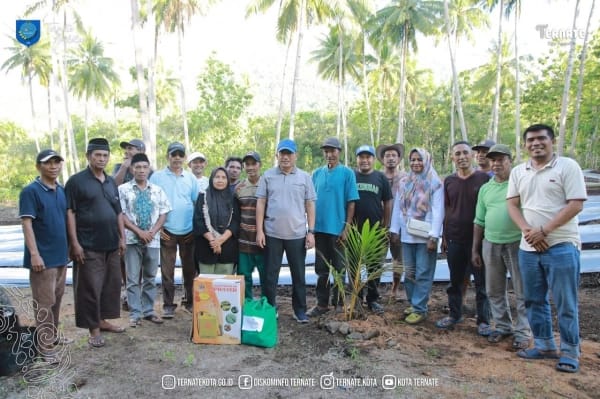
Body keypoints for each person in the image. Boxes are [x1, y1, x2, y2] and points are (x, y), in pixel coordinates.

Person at [507, 124, 586, 373]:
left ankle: (571, 350)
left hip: (561, 245)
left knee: (565, 301)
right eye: (530, 140)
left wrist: (546, 230)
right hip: (528, 248)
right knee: (533, 299)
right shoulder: (519, 171)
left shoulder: (568, 167)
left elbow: (575, 204)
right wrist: (528, 231)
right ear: (525, 144)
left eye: (541, 138)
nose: (536, 143)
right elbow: (512, 204)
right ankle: (544, 345)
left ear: (552, 141)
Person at [65, 138, 126, 348]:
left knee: (111, 285)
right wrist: (74, 243)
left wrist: (122, 237)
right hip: (88, 244)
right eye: (97, 155)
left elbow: (118, 212)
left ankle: (102, 320)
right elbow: (70, 213)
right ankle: (93, 329)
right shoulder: (76, 182)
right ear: (88, 156)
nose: (101, 159)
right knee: (90, 287)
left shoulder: (110, 182)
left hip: (111, 243)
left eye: (105, 155)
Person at [471, 144, 531, 349]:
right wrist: (475, 249)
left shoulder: (520, 183)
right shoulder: (486, 188)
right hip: (491, 243)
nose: (496, 164)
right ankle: (503, 326)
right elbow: (479, 220)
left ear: (510, 160)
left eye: (501, 159)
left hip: (517, 242)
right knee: (494, 288)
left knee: (522, 289)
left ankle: (523, 332)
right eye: (493, 160)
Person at [256, 139, 316, 323]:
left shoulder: (305, 177)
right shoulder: (267, 176)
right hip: (272, 233)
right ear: (277, 156)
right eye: (282, 153)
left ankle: (300, 311)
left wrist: (311, 231)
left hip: (297, 234)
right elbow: (261, 202)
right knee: (270, 274)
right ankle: (270, 308)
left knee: (298, 274)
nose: (285, 157)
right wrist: (260, 231)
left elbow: (310, 204)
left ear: (295, 155)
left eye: (289, 153)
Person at [19, 149, 70, 361]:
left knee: (57, 299)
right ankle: (45, 346)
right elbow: (26, 223)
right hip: (43, 258)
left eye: (57, 162)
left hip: (61, 256)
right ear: (38, 166)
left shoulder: (60, 189)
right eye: (48, 163)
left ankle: (53, 335)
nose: (53, 166)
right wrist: (34, 254)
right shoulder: (31, 191)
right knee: (44, 302)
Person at [436, 141, 491, 334]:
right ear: (452, 157)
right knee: (455, 280)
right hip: (454, 238)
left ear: (472, 156)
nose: (461, 157)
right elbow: (447, 208)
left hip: (479, 240)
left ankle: (484, 320)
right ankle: (454, 314)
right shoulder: (449, 181)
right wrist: (444, 236)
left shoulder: (484, 178)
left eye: (465, 153)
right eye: (457, 154)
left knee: (482, 281)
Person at [391, 148, 444, 324]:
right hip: (407, 235)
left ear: (427, 160)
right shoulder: (404, 181)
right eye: (413, 160)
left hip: (426, 236)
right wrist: (395, 230)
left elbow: (438, 211)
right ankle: (414, 303)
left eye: (419, 159)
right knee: (410, 272)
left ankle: (420, 308)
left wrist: (434, 236)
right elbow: (398, 207)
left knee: (423, 272)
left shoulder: (434, 183)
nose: (415, 163)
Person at [308, 137, 359, 317]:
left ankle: (338, 305)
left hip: (338, 230)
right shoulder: (316, 174)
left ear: (339, 152)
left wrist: (346, 227)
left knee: (339, 269)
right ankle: (322, 304)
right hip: (320, 229)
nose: (329, 154)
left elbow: (351, 202)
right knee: (321, 269)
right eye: (326, 151)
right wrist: (310, 229)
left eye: (333, 151)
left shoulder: (347, 173)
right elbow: (310, 202)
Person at [119, 153, 171, 328]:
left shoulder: (157, 190)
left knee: (150, 277)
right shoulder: (123, 190)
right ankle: (135, 314)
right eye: (137, 167)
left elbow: (164, 212)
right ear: (132, 169)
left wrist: (152, 231)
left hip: (153, 241)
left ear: (149, 169)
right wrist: (139, 232)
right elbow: (122, 215)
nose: (141, 170)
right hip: (132, 240)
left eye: (144, 167)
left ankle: (148, 311)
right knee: (133, 278)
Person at [149, 142, 199, 316]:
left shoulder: (191, 178)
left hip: (188, 231)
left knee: (190, 270)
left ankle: (190, 302)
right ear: (167, 156)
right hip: (166, 231)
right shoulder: (156, 177)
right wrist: (157, 227)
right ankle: (168, 305)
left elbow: (195, 202)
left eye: (180, 154)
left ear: (184, 158)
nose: (177, 158)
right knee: (167, 271)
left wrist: (195, 228)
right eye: (173, 154)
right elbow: (151, 203)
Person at [353, 145, 393, 315]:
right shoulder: (351, 176)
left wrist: (386, 225)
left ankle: (373, 298)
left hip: (375, 231)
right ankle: (357, 297)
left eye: (368, 157)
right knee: (357, 266)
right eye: (361, 157)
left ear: (373, 160)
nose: (365, 160)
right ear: (357, 159)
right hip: (354, 232)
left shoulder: (380, 178)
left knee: (374, 266)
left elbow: (388, 201)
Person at [112, 138, 147, 311]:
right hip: (121, 219)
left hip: (142, 223)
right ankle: (127, 292)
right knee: (123, 257)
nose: (127, 151)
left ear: (141, 150)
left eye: (131, 148)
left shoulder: (148, 170)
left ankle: (138, 293)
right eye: (126, 148)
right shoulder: (120, 168)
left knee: (140, 260)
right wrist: (125, 166)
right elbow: (113, 186)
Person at [193, 167, 240, 274]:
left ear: (228, 180)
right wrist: (213, 241)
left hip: (227, 247)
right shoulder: (203, 196)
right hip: (206, 246)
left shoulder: (233, 197)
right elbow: (198, 220)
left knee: (224, 285)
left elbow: (235, 221)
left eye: (223, 177)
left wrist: (220, 240)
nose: (220, 180)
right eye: (217, 177)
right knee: (207, 286)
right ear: (211, 179)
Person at [376, 143, 406, 301]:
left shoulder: (405, 177)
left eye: (394, 155)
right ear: (382, 159)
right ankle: (374, 290)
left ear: (399, 158)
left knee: (398, 259)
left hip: (399, 226)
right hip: (379, 225)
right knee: (377, 259)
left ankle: (395, 289)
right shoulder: (376, 176)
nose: (391, 158)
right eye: (387, 156)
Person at [235, 151, 266, 300]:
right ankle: (247, 306)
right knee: (244, 277)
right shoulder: (239, 189)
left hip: (263, 242)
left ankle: (267, 306)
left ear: (259, 165)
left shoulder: (268, 185)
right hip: (244, 241)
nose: (250, 167)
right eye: (247, 164)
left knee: (266, 277)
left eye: (254, 163)